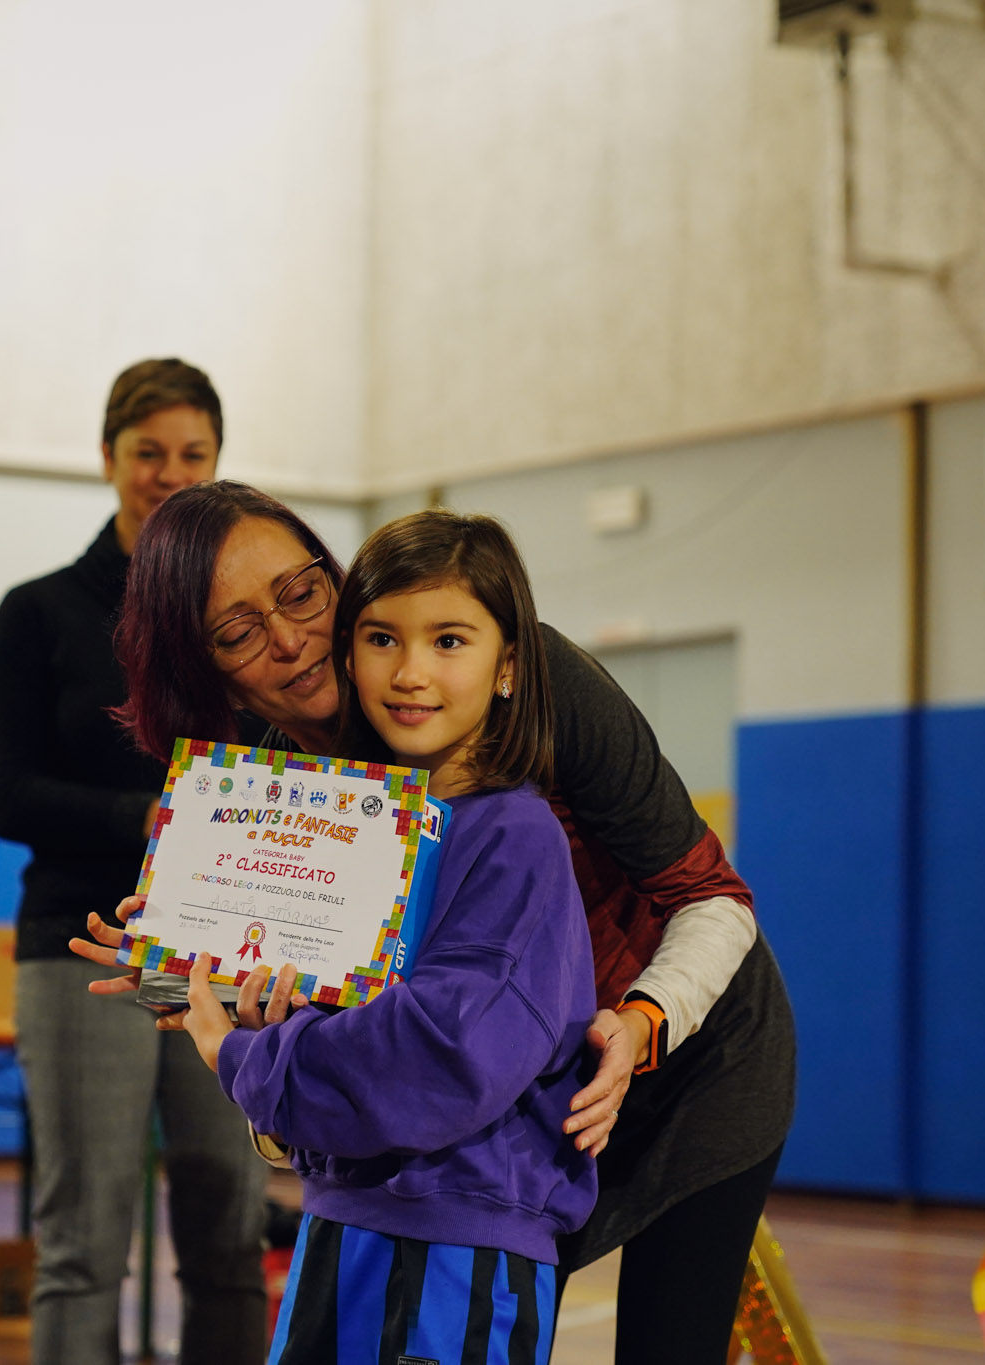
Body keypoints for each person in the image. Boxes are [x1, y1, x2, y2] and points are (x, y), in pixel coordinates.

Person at [83, 479, 797, 1365]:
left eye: (301, 593)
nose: (291, 638)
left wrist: (644, 1021)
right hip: (500, 1115)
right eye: (237, 632)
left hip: (688, 1057)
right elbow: (349, 1049)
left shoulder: (519, 691)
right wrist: (201, 974)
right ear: (204, 670)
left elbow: (713, 896)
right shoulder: (270, 792)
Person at [171, 510, 598, 1364]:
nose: (409, 672)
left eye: (449, 640)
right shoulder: (367, 834)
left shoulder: (516, 836)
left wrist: (240, 1055)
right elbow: (334, 1013)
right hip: (341, 1219)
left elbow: (441, 1054)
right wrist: (187, 952)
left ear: (509, 666)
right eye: (380, 639)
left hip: (458, 1247)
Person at [0, 359, 266, 1364]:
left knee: (231, 1229)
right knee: (83, 1238)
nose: (169, 475)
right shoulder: (38, 612)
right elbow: (8, 796)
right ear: (108, 458)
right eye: (149, 453)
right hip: (83, 949)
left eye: (193, 454)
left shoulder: (246, 622)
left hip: (219, 957)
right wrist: (149, 818)